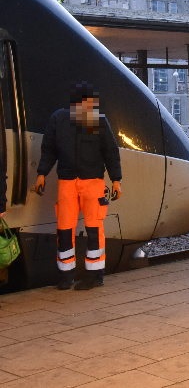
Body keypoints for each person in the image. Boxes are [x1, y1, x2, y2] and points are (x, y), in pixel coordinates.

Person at [33, 81, 122, 290]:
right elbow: (49, 150)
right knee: (64, 229)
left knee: (94, 228)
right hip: (67, 182)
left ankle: (95, 275)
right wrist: (41, 173)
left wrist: (116, 180)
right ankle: (66, 274)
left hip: (93, 182)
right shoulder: (59, 119)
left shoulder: (98, 121)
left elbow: (110, 152)